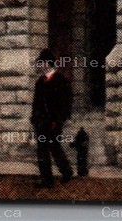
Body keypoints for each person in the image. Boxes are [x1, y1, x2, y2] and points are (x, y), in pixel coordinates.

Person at [31, 49, 75, 188]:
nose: (41, 65)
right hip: (41, 122)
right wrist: (34, 118)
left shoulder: (60, 80)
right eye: (40, 63)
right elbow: (36, 103)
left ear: (49, 63)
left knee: (54, 147)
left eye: (42, 62)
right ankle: (46, 180)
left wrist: (58, 120)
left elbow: (65, 103)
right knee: (42, 149)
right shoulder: (40, 82)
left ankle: (66, 171)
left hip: (54, 122)